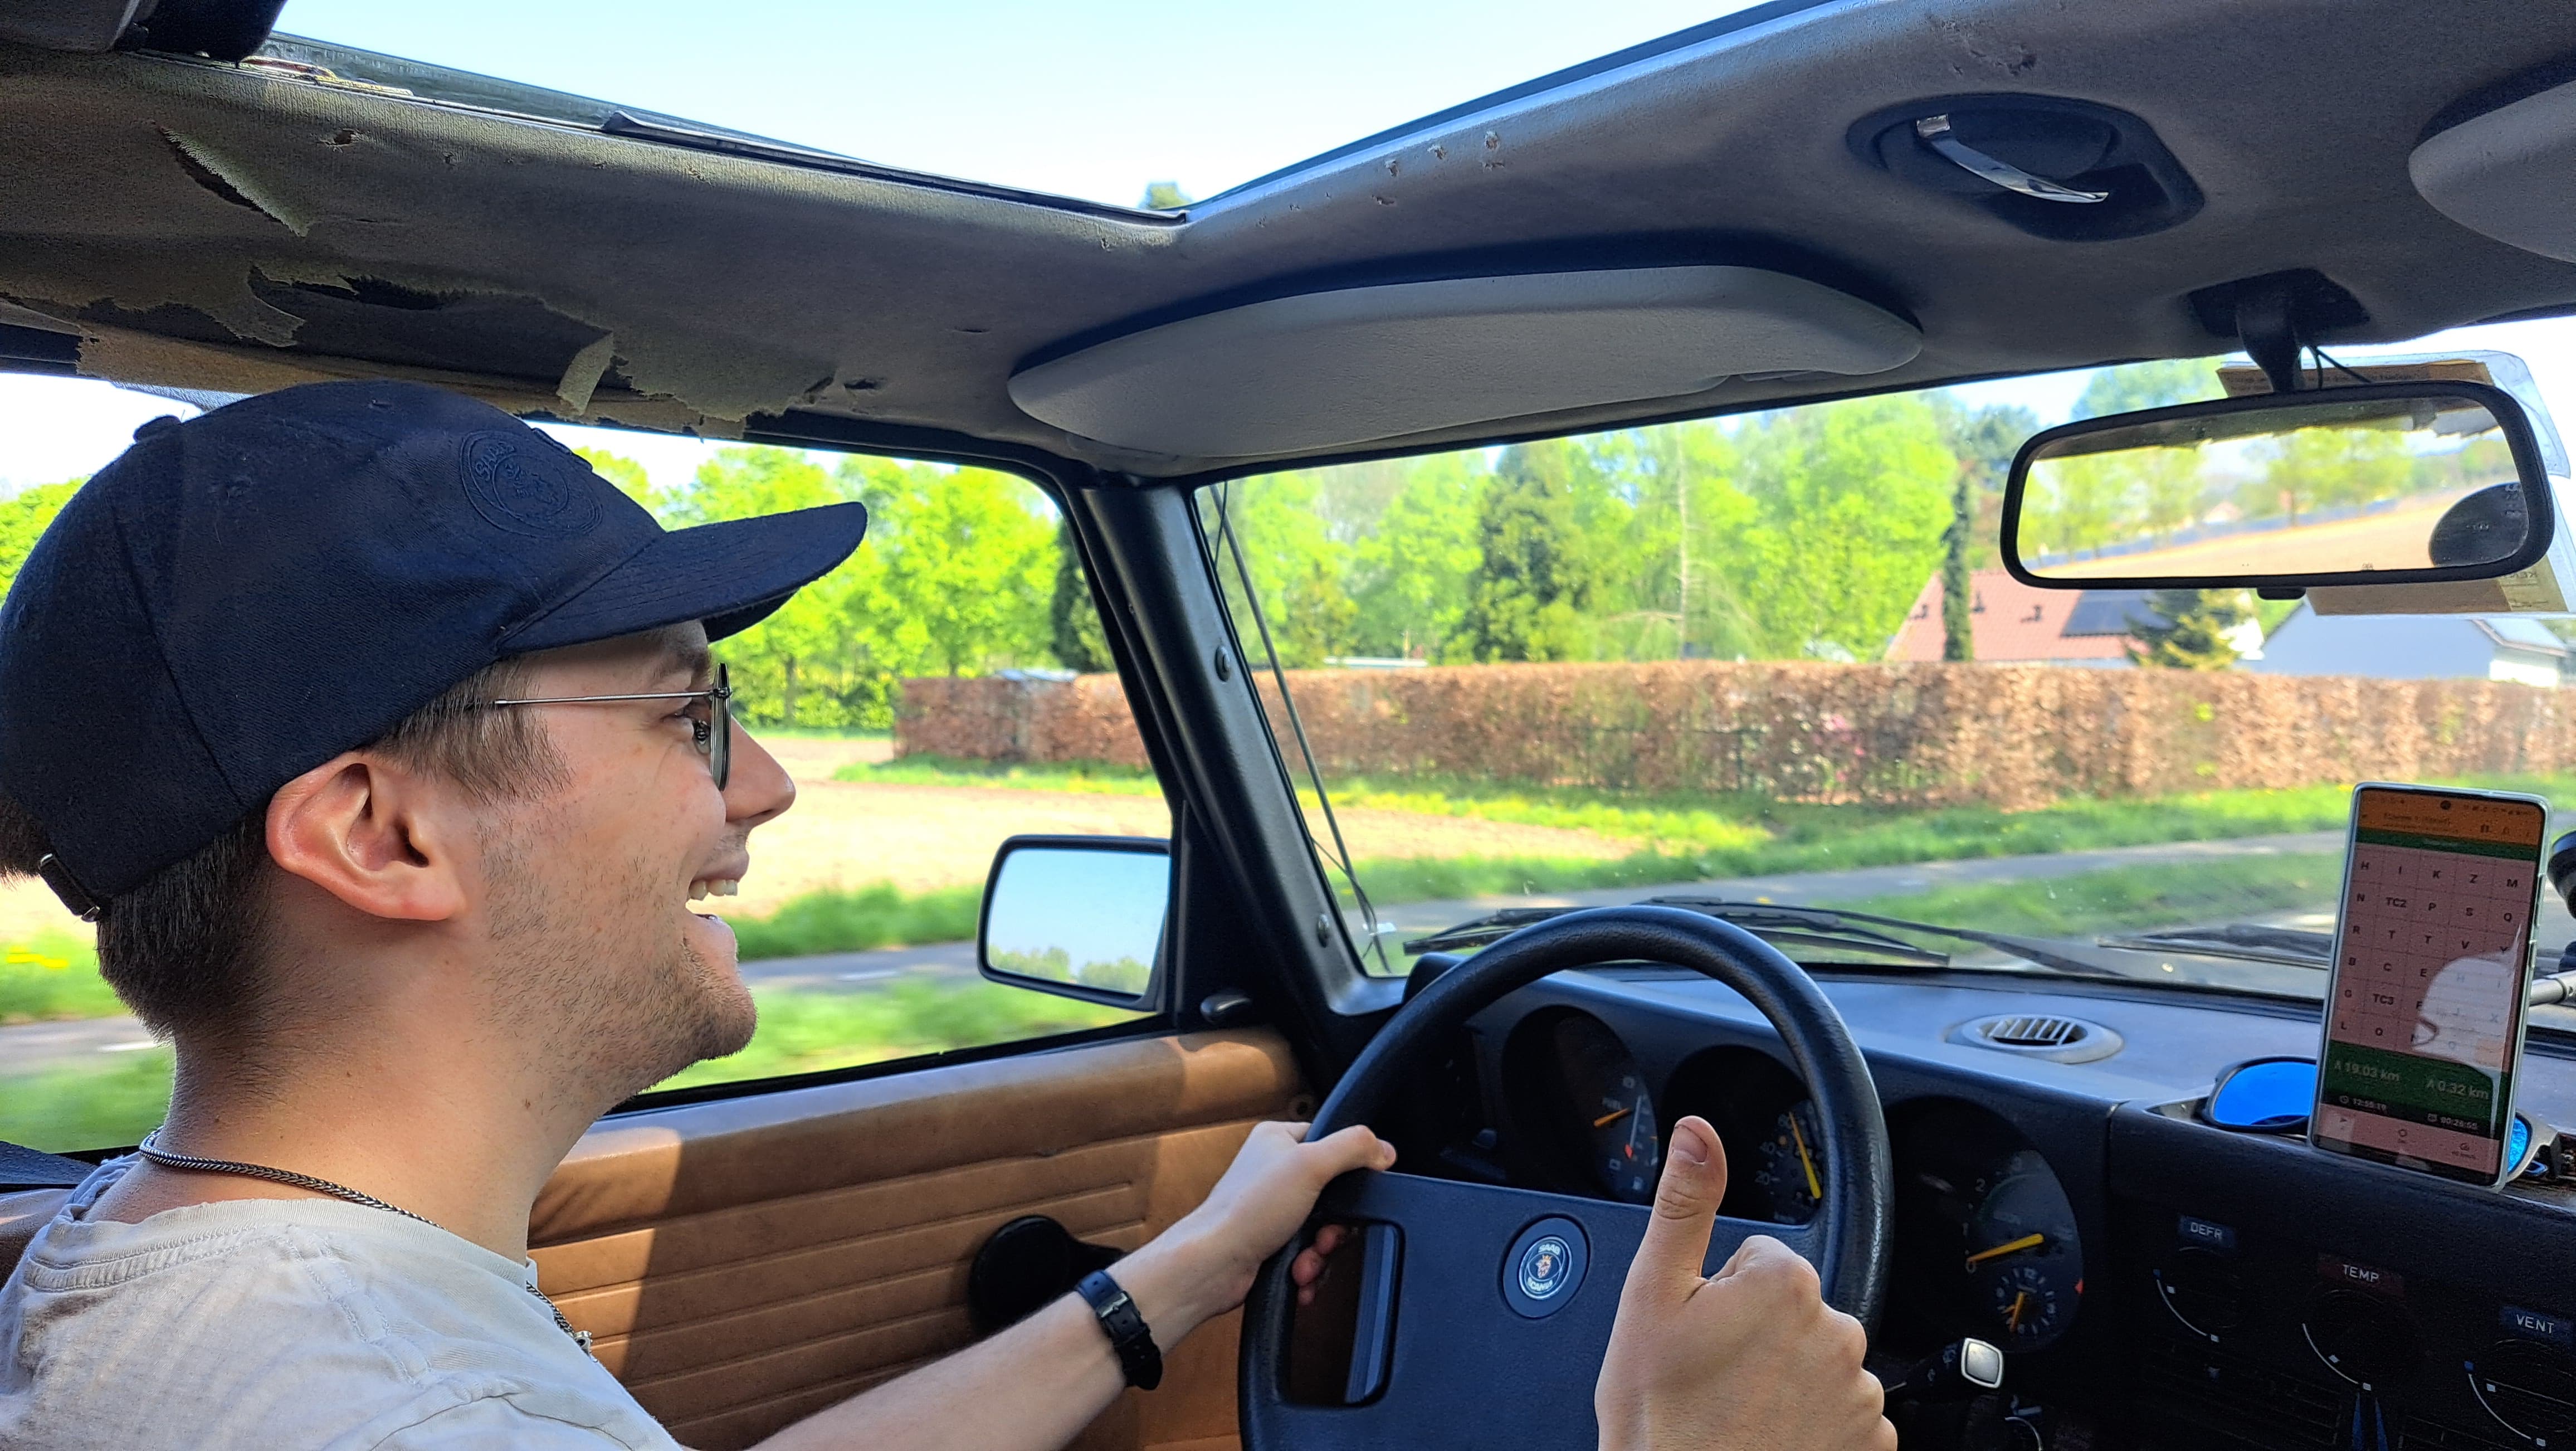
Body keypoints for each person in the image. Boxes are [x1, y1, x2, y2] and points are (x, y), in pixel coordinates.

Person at [0, 382, 1889, 1450]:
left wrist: (1176, 1274)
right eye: (686, 711)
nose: (761, 785)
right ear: (378, 832)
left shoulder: (202, 1281)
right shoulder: (376, 1413)